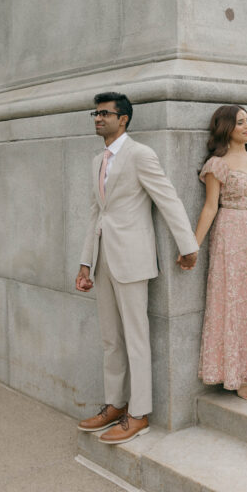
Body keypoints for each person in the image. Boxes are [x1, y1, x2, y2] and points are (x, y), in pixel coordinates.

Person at [76, 92, 199, 443]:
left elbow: (167, 198)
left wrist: (187, 245)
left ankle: (139, 413)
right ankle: (114, 404)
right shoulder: (97, 159)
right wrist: (85, 262)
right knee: (110, 339)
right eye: (95, 113)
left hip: (132, 259)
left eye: (105, 113)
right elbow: (95, 213)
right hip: (102, 260)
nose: (98, 118)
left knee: (136, 338)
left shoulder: (141, 155)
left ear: (123, 119)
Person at [188, 104, 247, 401]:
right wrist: (192, 245)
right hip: (231, 234)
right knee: (235, 302)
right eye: (240, 122)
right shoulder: (218, 165)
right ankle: (239, 375)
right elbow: (210, 207)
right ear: (226, 127)